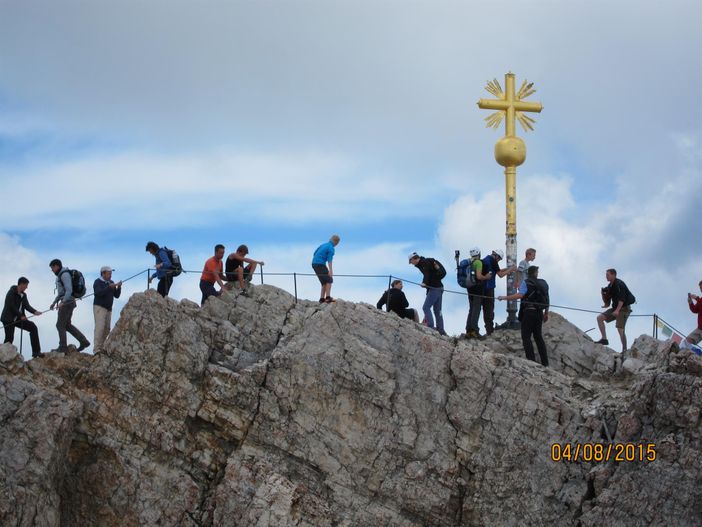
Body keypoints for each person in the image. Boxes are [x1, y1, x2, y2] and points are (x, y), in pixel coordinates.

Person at [499, 265, 550, 366]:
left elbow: (520, 295)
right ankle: (545, 363)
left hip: (529, 312)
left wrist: (504, 297)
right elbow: (547, 298)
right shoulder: (543, 283)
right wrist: (546, 313)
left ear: (528, 273)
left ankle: (531, 360)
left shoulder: (526, 283)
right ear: (536, 273)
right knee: (538, 337)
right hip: (539, 313)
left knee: (526, 336)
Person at [49, 259, 90, 353]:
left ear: (56, 266)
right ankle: (84, 341)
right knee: (67, 325)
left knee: (60, 325)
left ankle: (63, 347)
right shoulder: (62, 275)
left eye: (52, 268)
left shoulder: (64, 275)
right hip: (69, 302)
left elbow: (68, 290)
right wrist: (54, 302)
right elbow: (61, 293)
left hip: (67, 303)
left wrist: (62, 302)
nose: (52, 270)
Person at [1, 277, 44, 358]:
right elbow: (11, 306)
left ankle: (36, 352)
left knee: (33, 327)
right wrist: (21, 316)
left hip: (18, 318)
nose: (26, 287)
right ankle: (3, 356)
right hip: (8, 318)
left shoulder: (24, 295)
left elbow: (27, 306)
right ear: (21, 284)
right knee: (9, 339)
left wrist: (35, 312)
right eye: (26, 285)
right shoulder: (11, 292)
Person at [596, 268, 635, 352]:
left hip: (624, 308)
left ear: (613, 275)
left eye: (608, 275)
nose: (606, 276)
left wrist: (617, 311)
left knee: (620, 328)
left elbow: (622, 299)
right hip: (615, 308)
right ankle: (604, 339)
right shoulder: (610, 286)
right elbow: (608, 300)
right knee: (599, 318)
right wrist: (604, 299)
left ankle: (624, 350)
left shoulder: (619, 284)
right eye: (606, 275)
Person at [409, 252, 446, 335]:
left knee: (426, 307)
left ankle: (430, 326)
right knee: (437, 310)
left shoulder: (423, 263)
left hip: (434, 288)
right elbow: (429, 274)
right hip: (439, 287)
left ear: (414, 259)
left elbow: (427, 273)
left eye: (411, 261)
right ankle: (441, 330)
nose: (411, 264)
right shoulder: (426, 262)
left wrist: (424, 283)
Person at [481, 249, 517, 335]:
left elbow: (498, 270)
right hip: (489, 289)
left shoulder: (486, 259)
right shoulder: (493, 261)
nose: (498, 261)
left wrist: (508, 269)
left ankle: (487, 329)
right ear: (497, 256)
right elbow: (500, 275)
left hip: (481, 288)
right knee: (489, 310)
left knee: (484, 309)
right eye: (499, 259)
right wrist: (511, 269)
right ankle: (490, 331)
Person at [93, 266, 122, 353]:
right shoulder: (98, 282)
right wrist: (109, 287)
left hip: (109, 309)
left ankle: (102, 347)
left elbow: (116, 295)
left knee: (107, 329)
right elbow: (98, 293)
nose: (110, 275)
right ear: (103, 273)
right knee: (100, 328)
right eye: (109, 273)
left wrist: (119, 287)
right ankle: (96, 349)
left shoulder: (111, 282)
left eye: (111, 273)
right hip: (99, 307)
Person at [465, 247, 492, 339]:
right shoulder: (478, 262)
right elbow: (479, 276)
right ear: (479, 254)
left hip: (470, 289)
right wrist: (487, 277)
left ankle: (468, 330)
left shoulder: (470, 263)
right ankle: (474, 331)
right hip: (477, 289)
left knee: (471, 309)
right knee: (476, 310)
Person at [312, 235, 340, 303]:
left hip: (314, 264)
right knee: (329, 280)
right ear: (336, 242)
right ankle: (328, 297)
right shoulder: (331, 248)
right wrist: (330, 270)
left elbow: (314, 253)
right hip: (320, 264)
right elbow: (329, 260)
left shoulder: (323, 245)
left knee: (324, 282)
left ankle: (322, 299)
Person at [685, 281, 702, 347]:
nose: (701, 289)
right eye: (700, 288)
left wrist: (697, 298)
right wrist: (690, 302)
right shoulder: (700, 300)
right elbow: (695, 310)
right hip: (700, 329)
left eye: (701, 287)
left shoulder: (700, 300)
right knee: (688, 341)